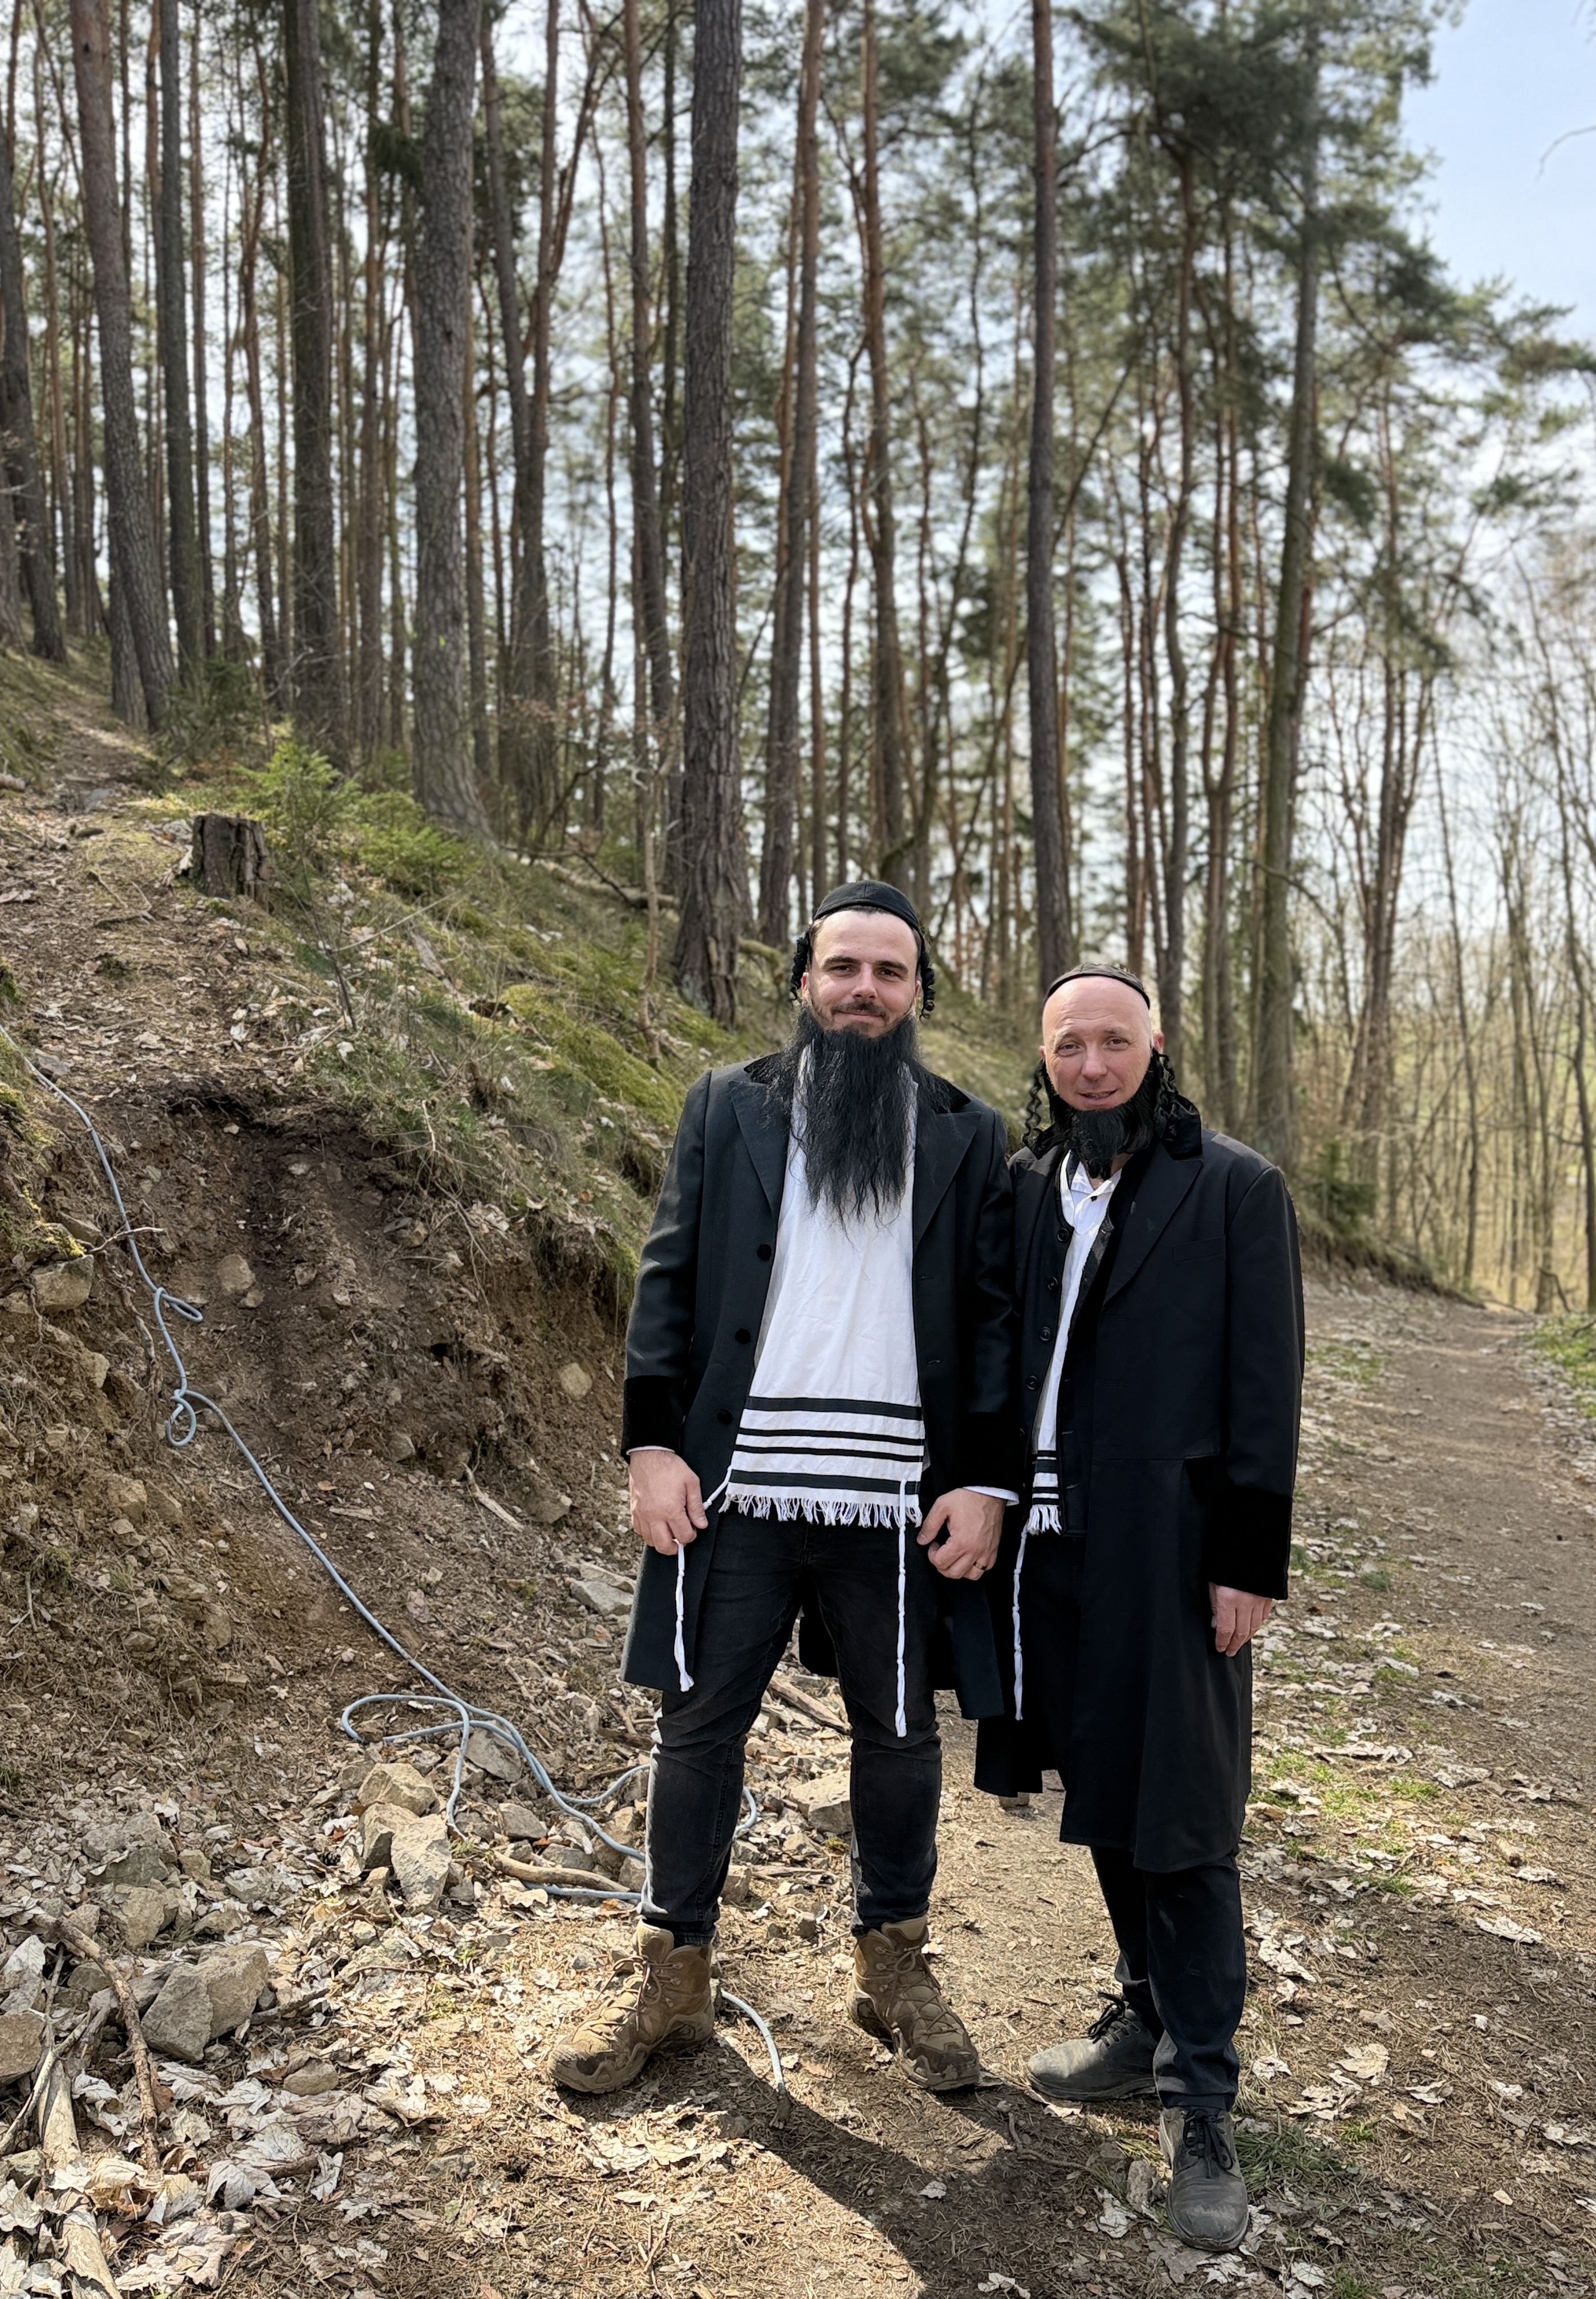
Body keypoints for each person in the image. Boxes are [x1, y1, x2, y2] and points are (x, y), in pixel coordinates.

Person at [549, 881, 1019, 2098]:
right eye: (843, 967)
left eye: (890, 973)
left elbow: (992, 1322)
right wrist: (651, 1448)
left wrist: (985, 1482)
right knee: (699, 1727)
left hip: (896, 1499)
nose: (865, 990)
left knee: (901, 1734)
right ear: (805, 981)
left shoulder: (967, 1134)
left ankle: (893, 1970)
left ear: (917, 994)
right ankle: (674, 1977)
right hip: (736, 1487)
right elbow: (668, 1277)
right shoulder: (729, 1104)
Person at [976, 966, 1302, 2253]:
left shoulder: (1234, 1188)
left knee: (1185, 1816)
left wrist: (1248, 1561)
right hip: (1049, 1547)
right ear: (1046, 1057)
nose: (1094, 1064)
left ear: (1156, 1048)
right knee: (1105, 1786)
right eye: (1071, 1044)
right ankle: (1145, 2017)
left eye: (1116, 1041)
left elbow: (1266, 1386)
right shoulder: (1023, 1184)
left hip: (1173, 1547)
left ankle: (1202, 2103)